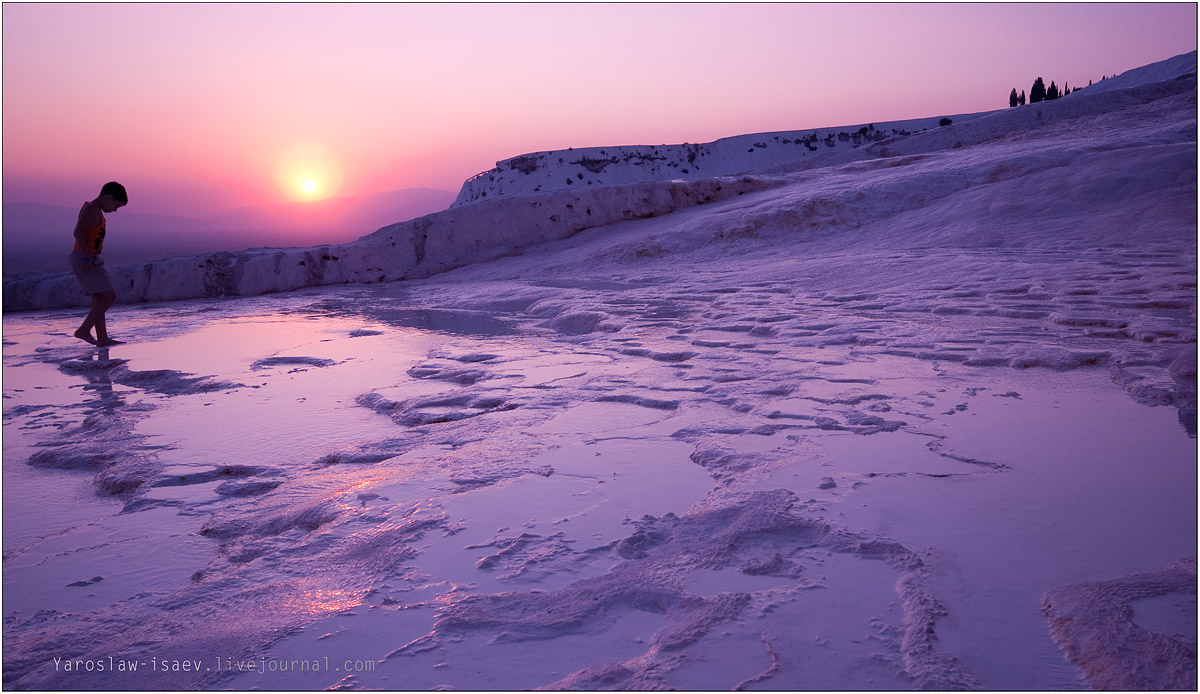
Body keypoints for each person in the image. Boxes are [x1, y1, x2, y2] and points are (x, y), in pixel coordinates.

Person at [70, 182, 127, 346]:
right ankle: (83, 330)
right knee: (110, 297)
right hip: (86, 258)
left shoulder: (96, 211)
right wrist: (85, 258)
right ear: (109, 198)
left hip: (88, 257)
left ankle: (102, 338)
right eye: (116, 205)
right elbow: (78, 232)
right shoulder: (91, 209)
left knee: (99, 300)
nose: (115, 210)